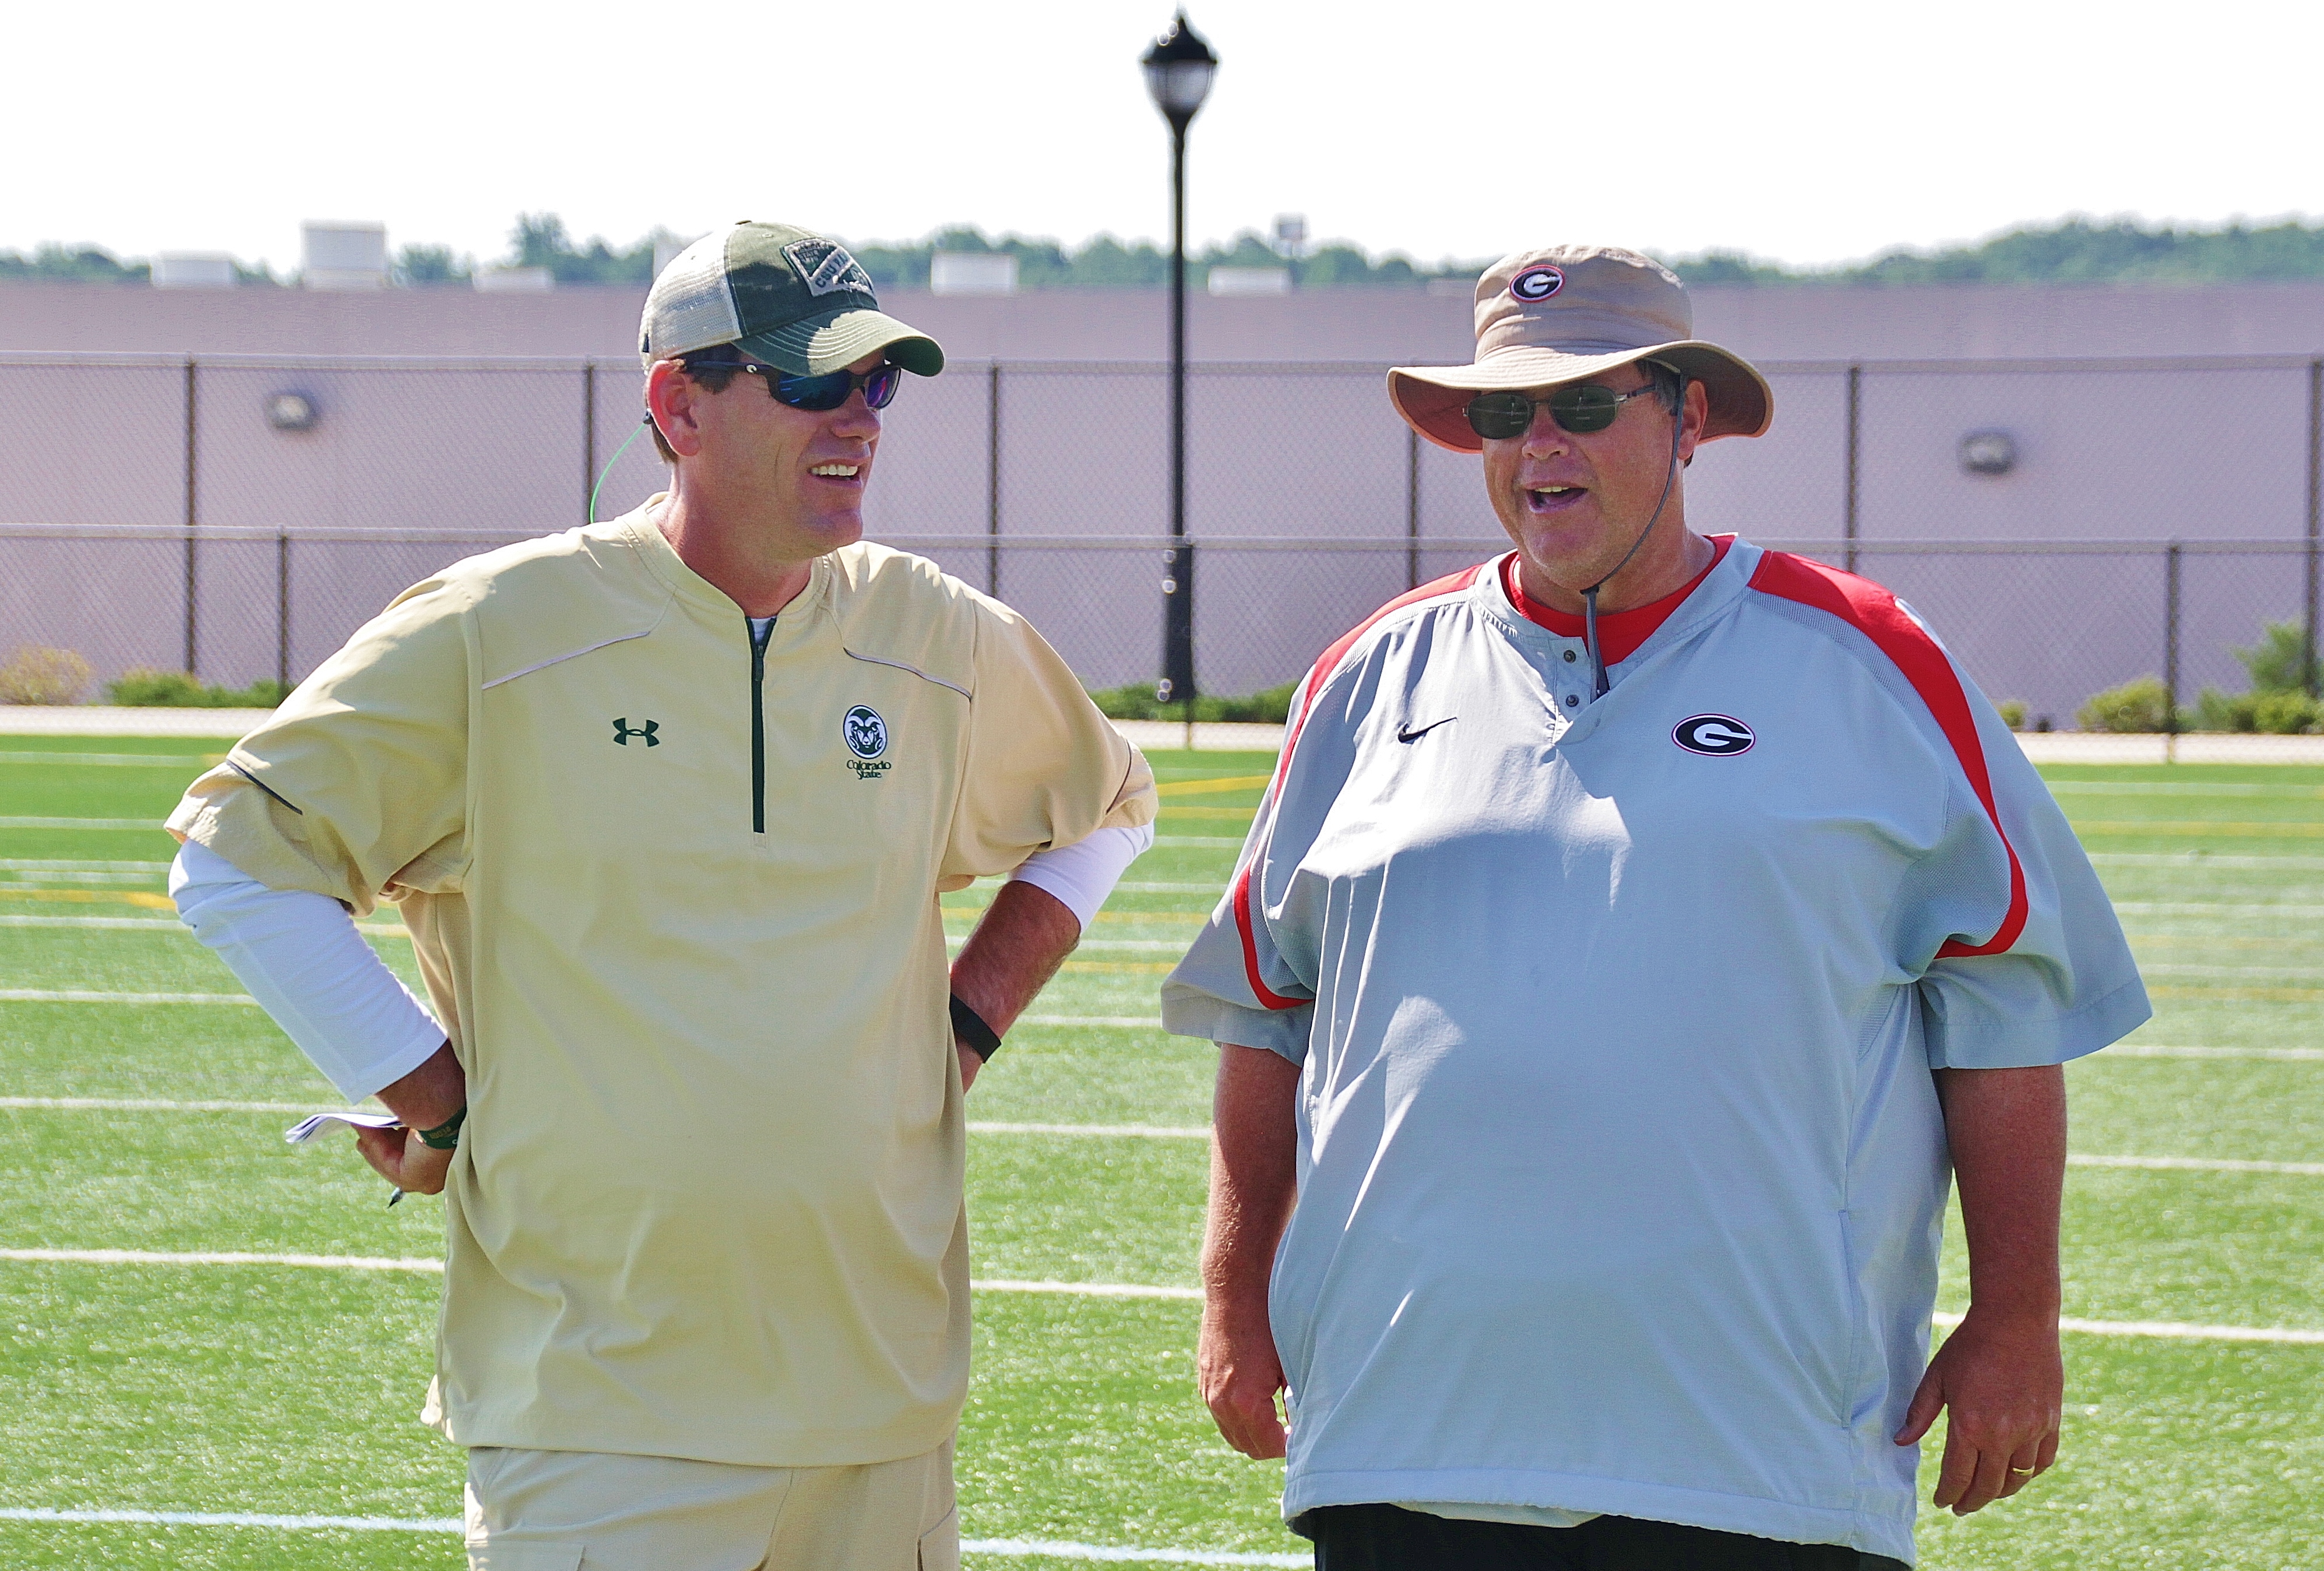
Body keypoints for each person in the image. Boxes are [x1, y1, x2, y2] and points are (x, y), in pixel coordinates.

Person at [167, 219, 1157, 1571]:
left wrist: (961, 1032)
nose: (856, 418)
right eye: (810, 382)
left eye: (877, 383)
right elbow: (233, 858)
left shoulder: (932, 632)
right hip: (600, 1421)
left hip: (883, 1410)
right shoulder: (496, 629)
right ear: (674, 408)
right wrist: (435, 1097)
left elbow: (1108, 806)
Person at [1161, 245, 2147, 1569]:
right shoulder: (1364, 673)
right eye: (1505, 413)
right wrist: (1231, 1295)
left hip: (1759, 1461)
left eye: (1582, 402)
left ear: (1687, 418)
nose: (1539, 444)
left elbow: (2006, 1005)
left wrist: (2017, 1313)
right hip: (1405, 1442)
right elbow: (1267, 1006)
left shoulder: (1867, 656)